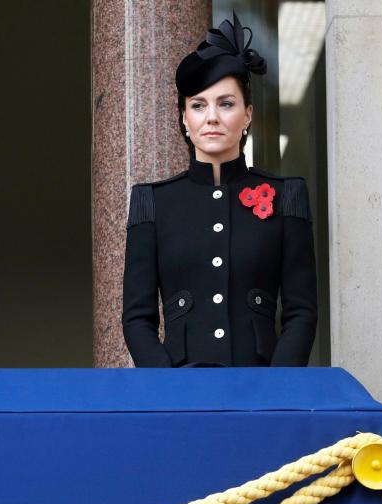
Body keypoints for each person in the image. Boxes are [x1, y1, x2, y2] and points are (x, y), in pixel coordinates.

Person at [122, 14, 317, 368]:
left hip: (262, 388)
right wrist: (169, 389)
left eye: (226, 104)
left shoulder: (286, 195)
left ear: (247, 116)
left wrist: (277, 389)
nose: (212, 117)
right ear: (184, 118)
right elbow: (137, 319)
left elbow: (301, 312)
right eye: (198, 105)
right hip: (180, 391)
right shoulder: (153, 202)